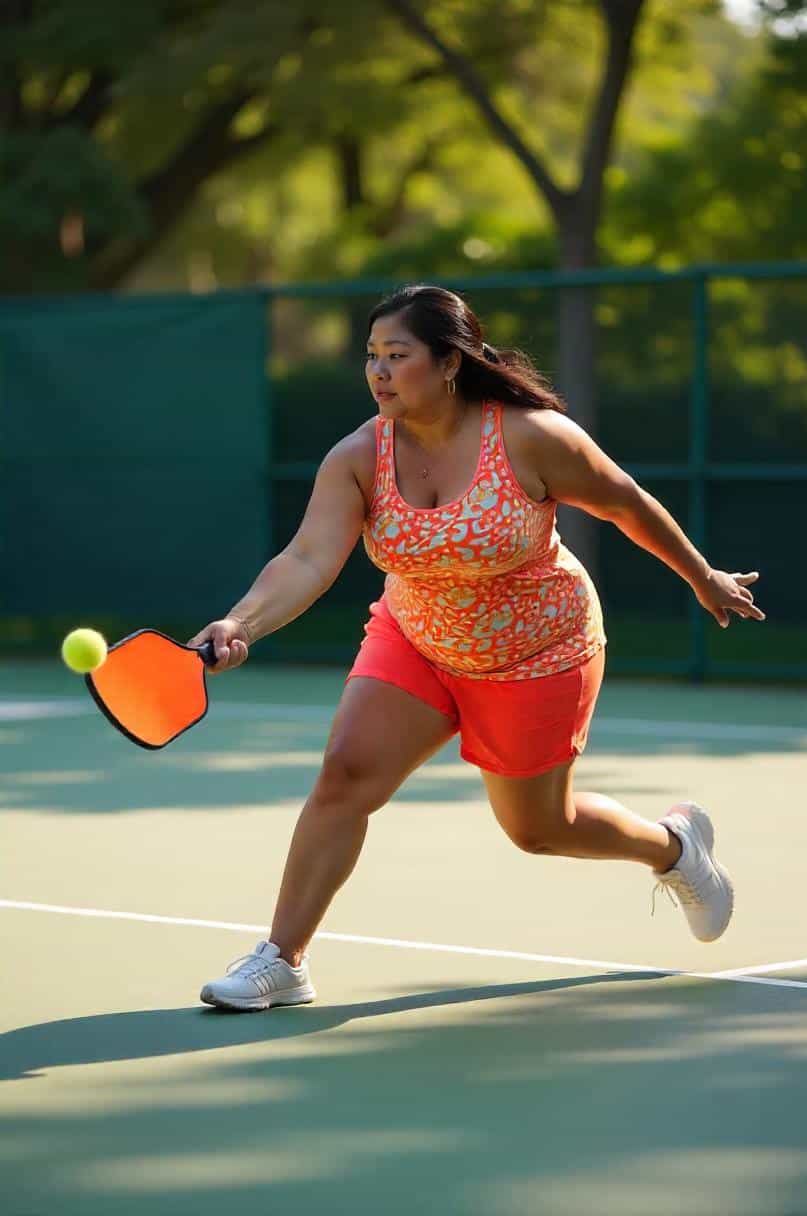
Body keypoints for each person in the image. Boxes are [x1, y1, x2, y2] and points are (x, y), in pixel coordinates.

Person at [192, 284, 764, 1012]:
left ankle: (674, 848)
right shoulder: (359, 455)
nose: (379, 373)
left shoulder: (531, 438)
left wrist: (701, 575)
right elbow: (308, 559)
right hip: (418, 638)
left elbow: (624, 501)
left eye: (397, 356)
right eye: (371, 357)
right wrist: (242, 622)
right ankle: (283, 960)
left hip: (540, 651)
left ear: (450, 362)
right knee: (343, 776)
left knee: (539, 830)